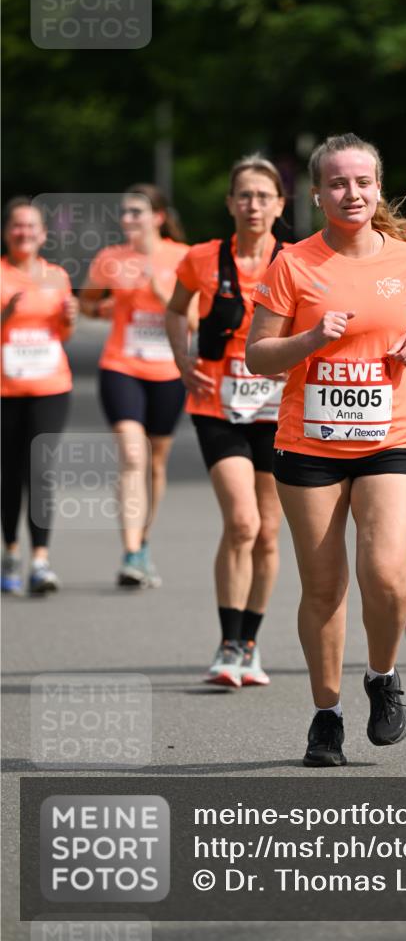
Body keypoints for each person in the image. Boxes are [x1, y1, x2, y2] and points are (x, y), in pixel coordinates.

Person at [246, 133, 406, 767]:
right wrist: (307, 341)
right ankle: (325, 716)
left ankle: (382, 677)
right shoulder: (293, 263)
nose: (350, 193)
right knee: (324, 588)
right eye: (336, 183)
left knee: (384, 574)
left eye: (361, 182)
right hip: (309, 445)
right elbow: (257, 355)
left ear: (377, 186)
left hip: (390, 437)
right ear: (317, 193)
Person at [166, 155, 286, 689]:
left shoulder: (297, 260)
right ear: (230, 203)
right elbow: (175, 309)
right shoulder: (202, 258)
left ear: (280, 204)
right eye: (245, 194)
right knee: (242, 523)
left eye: (264, 195)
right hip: (219, 405)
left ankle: (252, 644)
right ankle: (227, 642)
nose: (254, 204)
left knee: (269, 532)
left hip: (280, 411)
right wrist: (181, 357)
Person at [79, 184, 190, 588]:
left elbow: (194, 320)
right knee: (131, 454)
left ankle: (142, 543)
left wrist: (162, 295)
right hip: (121, 365)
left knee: (155, 463)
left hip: (168, 371)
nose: (128, 219)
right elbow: (88, 302)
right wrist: (99, 308)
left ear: (157, 217)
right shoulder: (110, 259)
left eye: (136, 213)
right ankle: (129, 553)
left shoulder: (181, 257)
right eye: (125, 213)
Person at [1, 197, 79, 595]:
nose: (24, 233)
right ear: (6, 231)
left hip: (50, 386)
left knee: (41, 471)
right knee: (10, 473)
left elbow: (63, 334)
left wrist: (70, 318)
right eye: (17, 226)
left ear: (43, 234)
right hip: (6, 389)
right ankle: (11, 552)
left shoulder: (56, 276)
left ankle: (41, 560)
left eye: (31, 226)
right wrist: (5, 316)